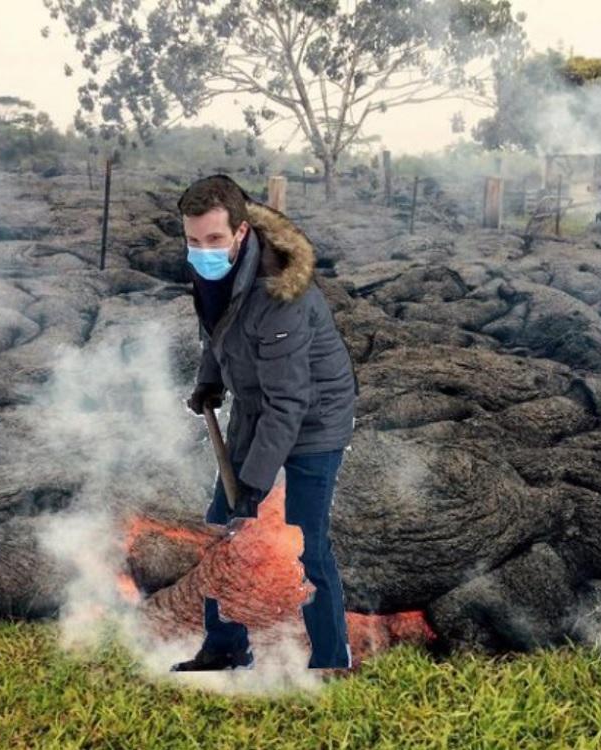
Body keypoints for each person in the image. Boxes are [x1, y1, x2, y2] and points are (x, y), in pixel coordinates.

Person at [171, 175, 359, 672]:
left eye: (214, 240)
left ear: (241, 232)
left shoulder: (280, 294)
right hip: (259, 404)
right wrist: (209, 381)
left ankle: (329, 659)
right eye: (193, 241)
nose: (203, 251)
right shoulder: (210, 271)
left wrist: (253, 484)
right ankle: (226, 645)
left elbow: (290, 403)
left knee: (305, 540)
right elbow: (218, 332)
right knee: (223, 529)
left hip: (315, 416)